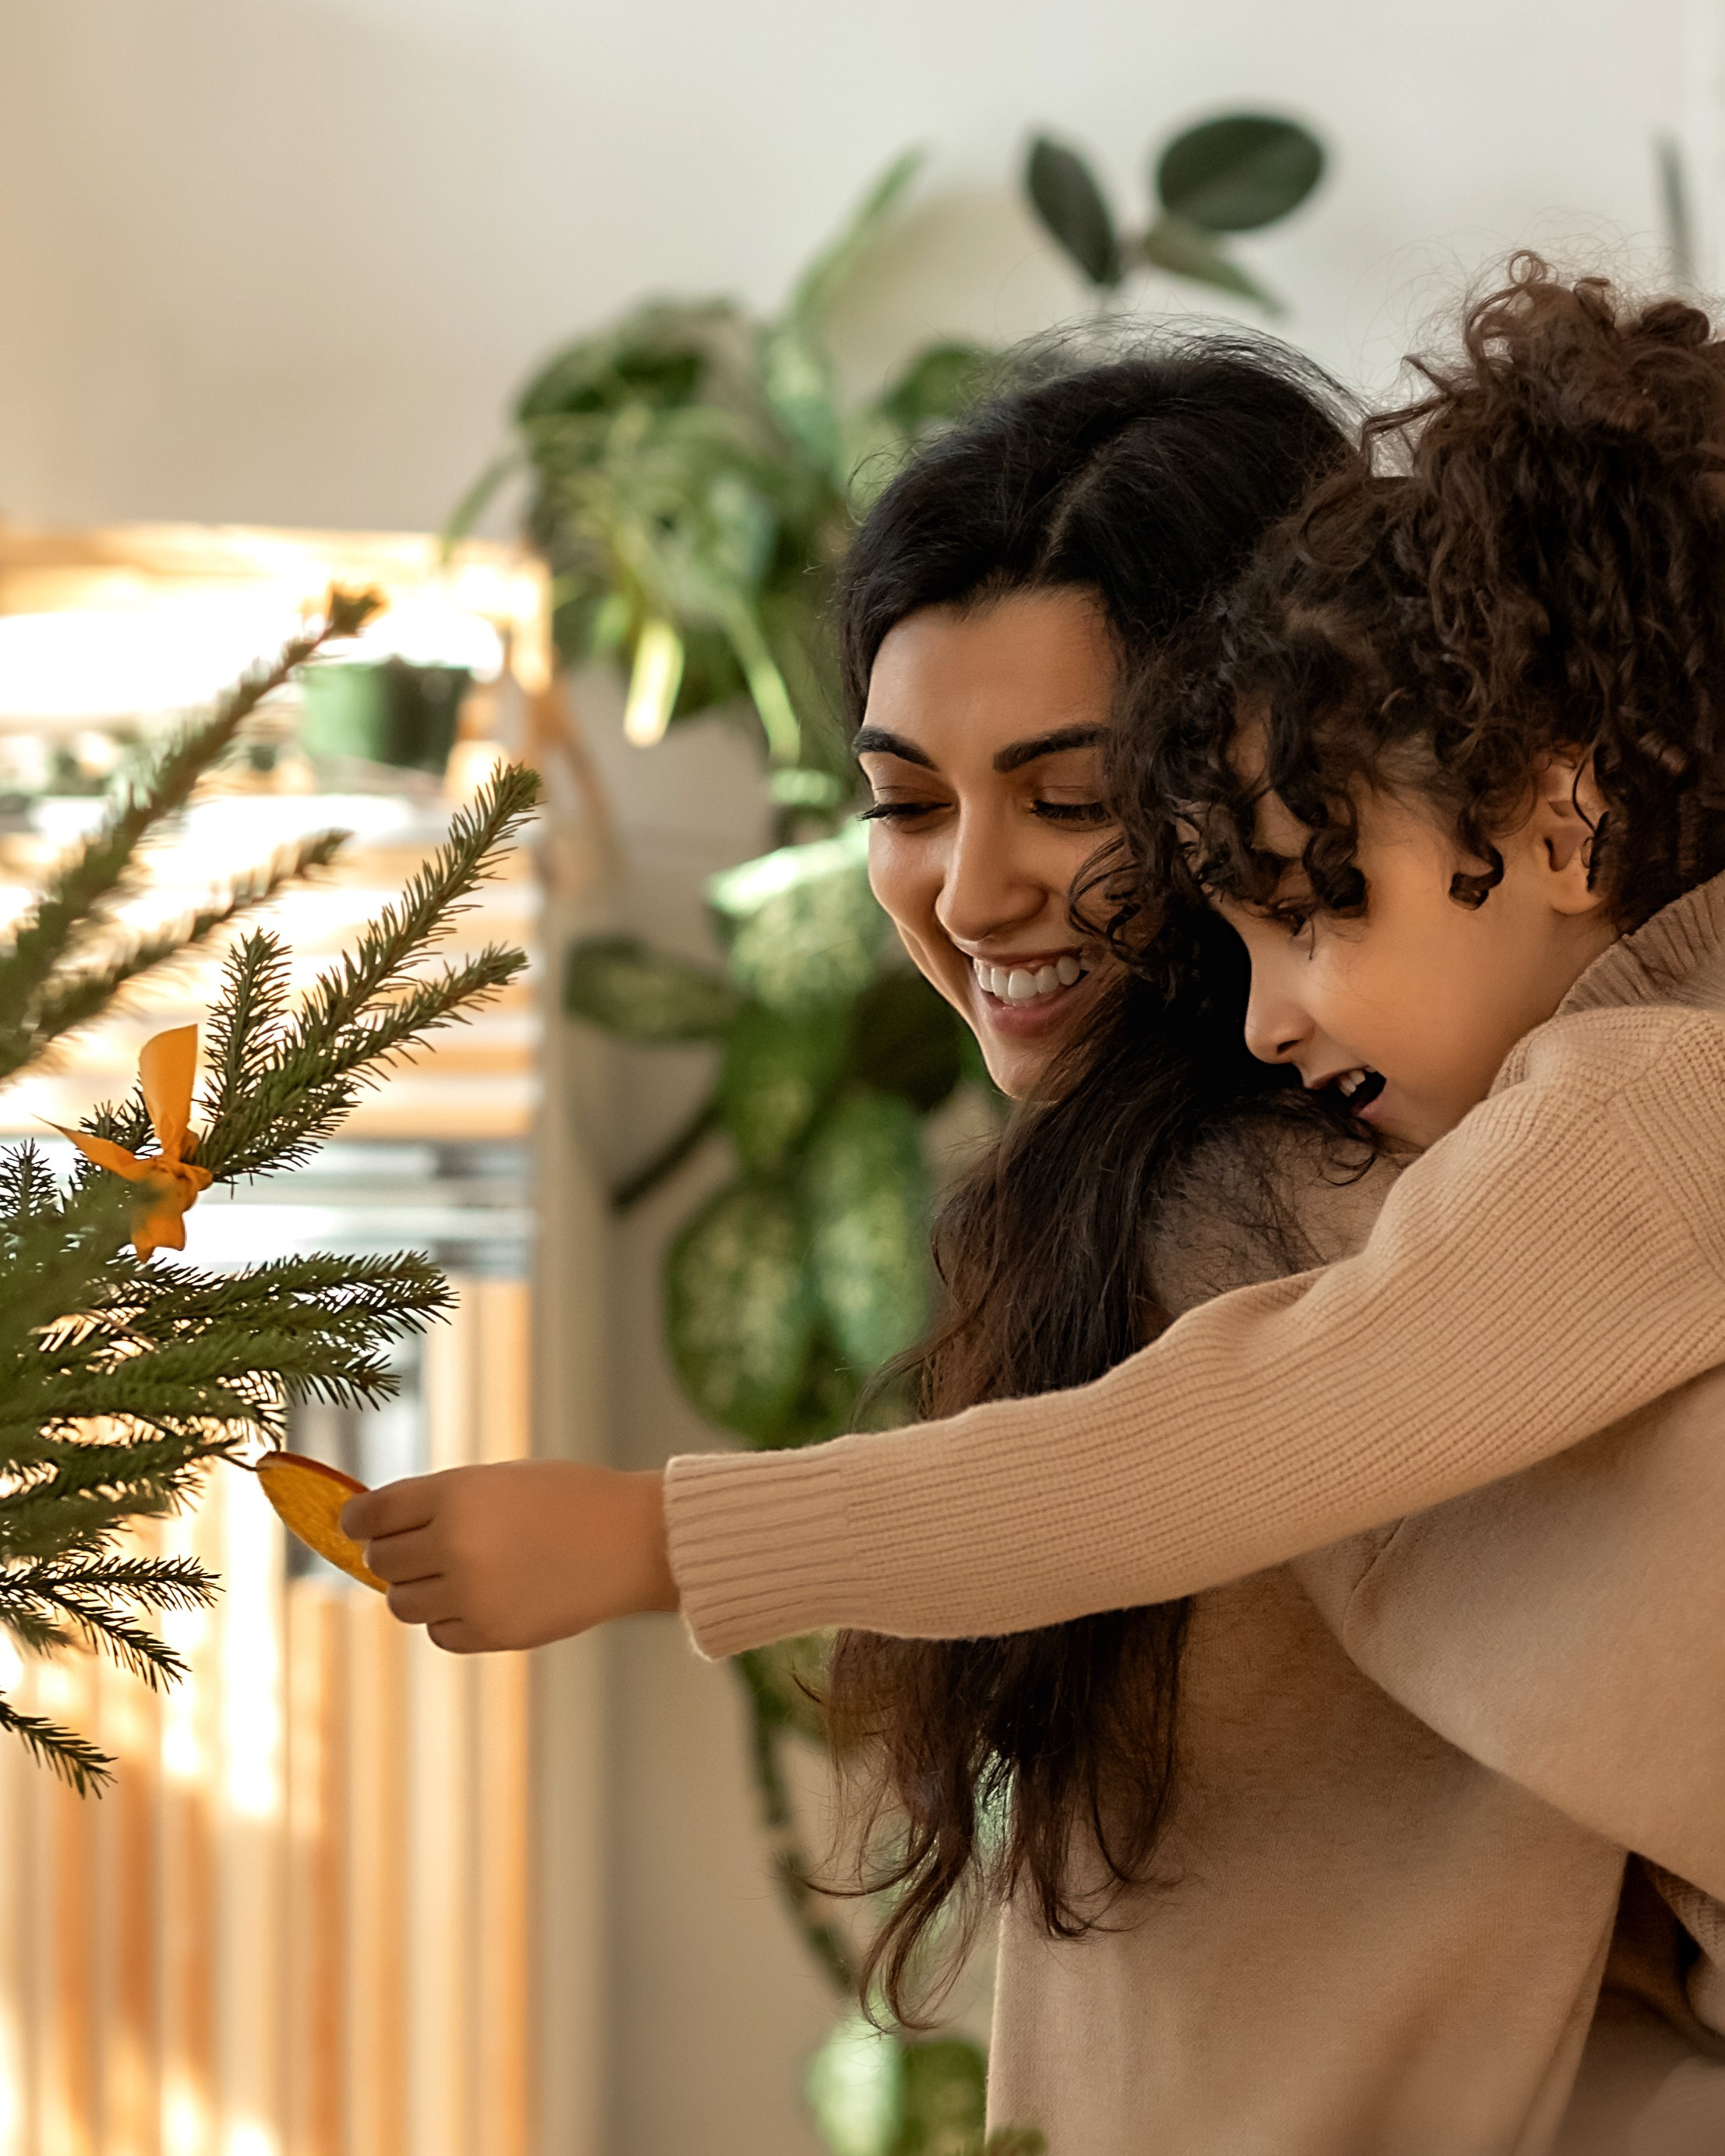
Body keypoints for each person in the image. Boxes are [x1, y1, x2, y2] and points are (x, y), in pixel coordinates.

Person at [346, 264, 1725, 2147]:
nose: (972, 892)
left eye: (1073, 799)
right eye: (906, 802)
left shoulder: (1338, 1196)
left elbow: (1230, 1441)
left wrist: (657, 1535)